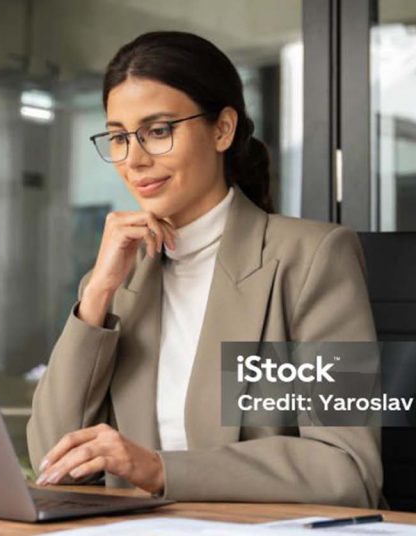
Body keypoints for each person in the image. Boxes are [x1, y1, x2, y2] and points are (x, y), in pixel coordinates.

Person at [26, 31, 383, 508]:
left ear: (222, 130)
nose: (134, 159)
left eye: (158, 130)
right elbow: (53, 460)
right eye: (117, 137)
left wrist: (159, 469)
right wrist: (98, 295)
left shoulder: (312, 258)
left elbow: (349, 469)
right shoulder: (118, 279)